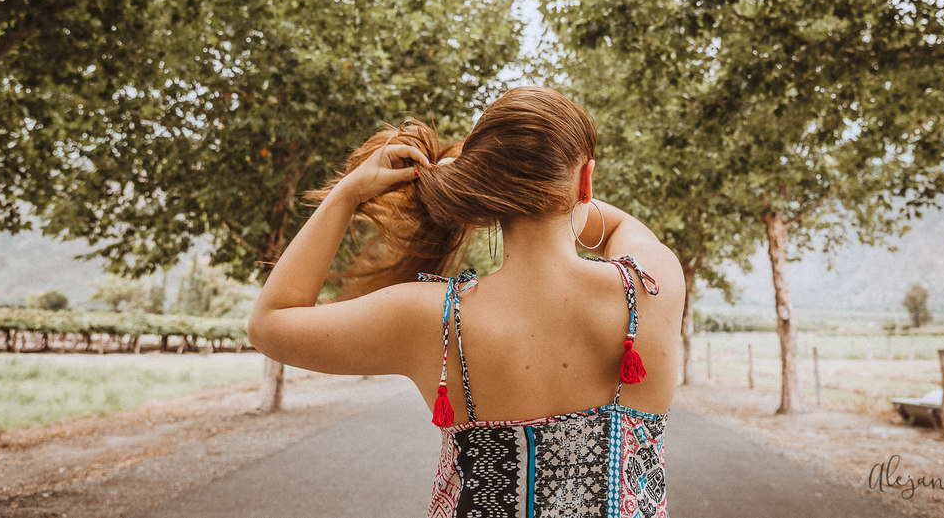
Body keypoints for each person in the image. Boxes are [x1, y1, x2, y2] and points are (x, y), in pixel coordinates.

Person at [248, 86, 685, 517]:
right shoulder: (652, 285)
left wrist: (346, 194)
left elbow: (270, 323)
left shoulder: (434, 318)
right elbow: (616, 224)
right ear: (586, 179)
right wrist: (558, 190)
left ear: (488, 188)